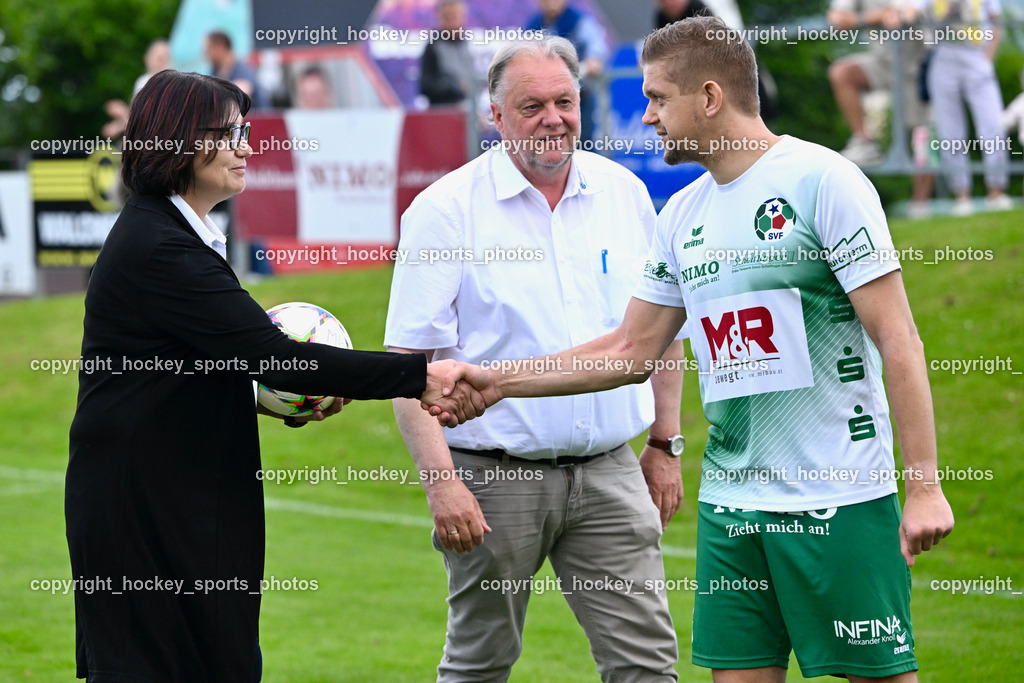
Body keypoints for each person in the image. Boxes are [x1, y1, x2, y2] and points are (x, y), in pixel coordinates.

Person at [429, 17, 955, 682]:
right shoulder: (681, 213)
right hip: (732, 508)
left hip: (839, 498)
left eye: (657, 98)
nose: (646, 116)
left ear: (709, 97)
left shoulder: (825, 181)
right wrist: (498, 381)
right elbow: (629, 349)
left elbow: (899, 339)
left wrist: (925, 486)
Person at [66, 70, 482, 682]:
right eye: (229, 133)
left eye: (246, 131)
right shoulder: (160, 246)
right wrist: (419, 375)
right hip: (146, 507)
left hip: (180, 494)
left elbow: (192, 365)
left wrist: (267, 400)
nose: (245, 146)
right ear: (178, 140)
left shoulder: (174, 234)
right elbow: (278, 356)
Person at [385, 36, 684, 683]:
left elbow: (662, 331)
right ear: (495, 117)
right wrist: (442, 483)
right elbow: (409, 367)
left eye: (564, 102)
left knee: (647, 663)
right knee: (480, 662)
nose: (554, 118)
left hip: (610, 472)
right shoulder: (444, 211)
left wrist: (666, 442)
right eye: (532, 106)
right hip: (494, 479)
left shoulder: (625, 193)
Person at [827, 1, 936, 217]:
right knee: (842, 73)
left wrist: (865, 19)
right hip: (883, 63)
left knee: (922, 134)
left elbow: (908, 13)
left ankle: (920, 205)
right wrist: (873, 17)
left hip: (917, 68)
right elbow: (836, 19)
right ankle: (864, 143)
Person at [915, 0, 1011, 215]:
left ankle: (997, 192)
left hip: (976, 55)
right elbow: (913, 12)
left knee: (994, 126)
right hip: (942, 57)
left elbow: (996, 21)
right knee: (950, 131)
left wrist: (987, 58)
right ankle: (962, 196)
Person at [525, 0, 609, 142]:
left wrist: (591, 62)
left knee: (581, 141)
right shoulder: (533, 25)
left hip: (576, 97)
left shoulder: (579, 21)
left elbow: (597, 51)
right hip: (542, 99)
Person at [419, 0, 476, 106]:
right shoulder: (433, 46)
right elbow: (425, 86)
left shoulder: (467, 44)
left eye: (454, 16)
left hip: (468, 108)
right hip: (444, 109)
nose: (451, 21)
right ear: (439, 18)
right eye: (447, 17)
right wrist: (455, 87)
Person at [205, 31, 267, 109]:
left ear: (220, 47)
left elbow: (243, 92)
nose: (206, 54)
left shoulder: (243, 70)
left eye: (208, 49)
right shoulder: (214, 72)